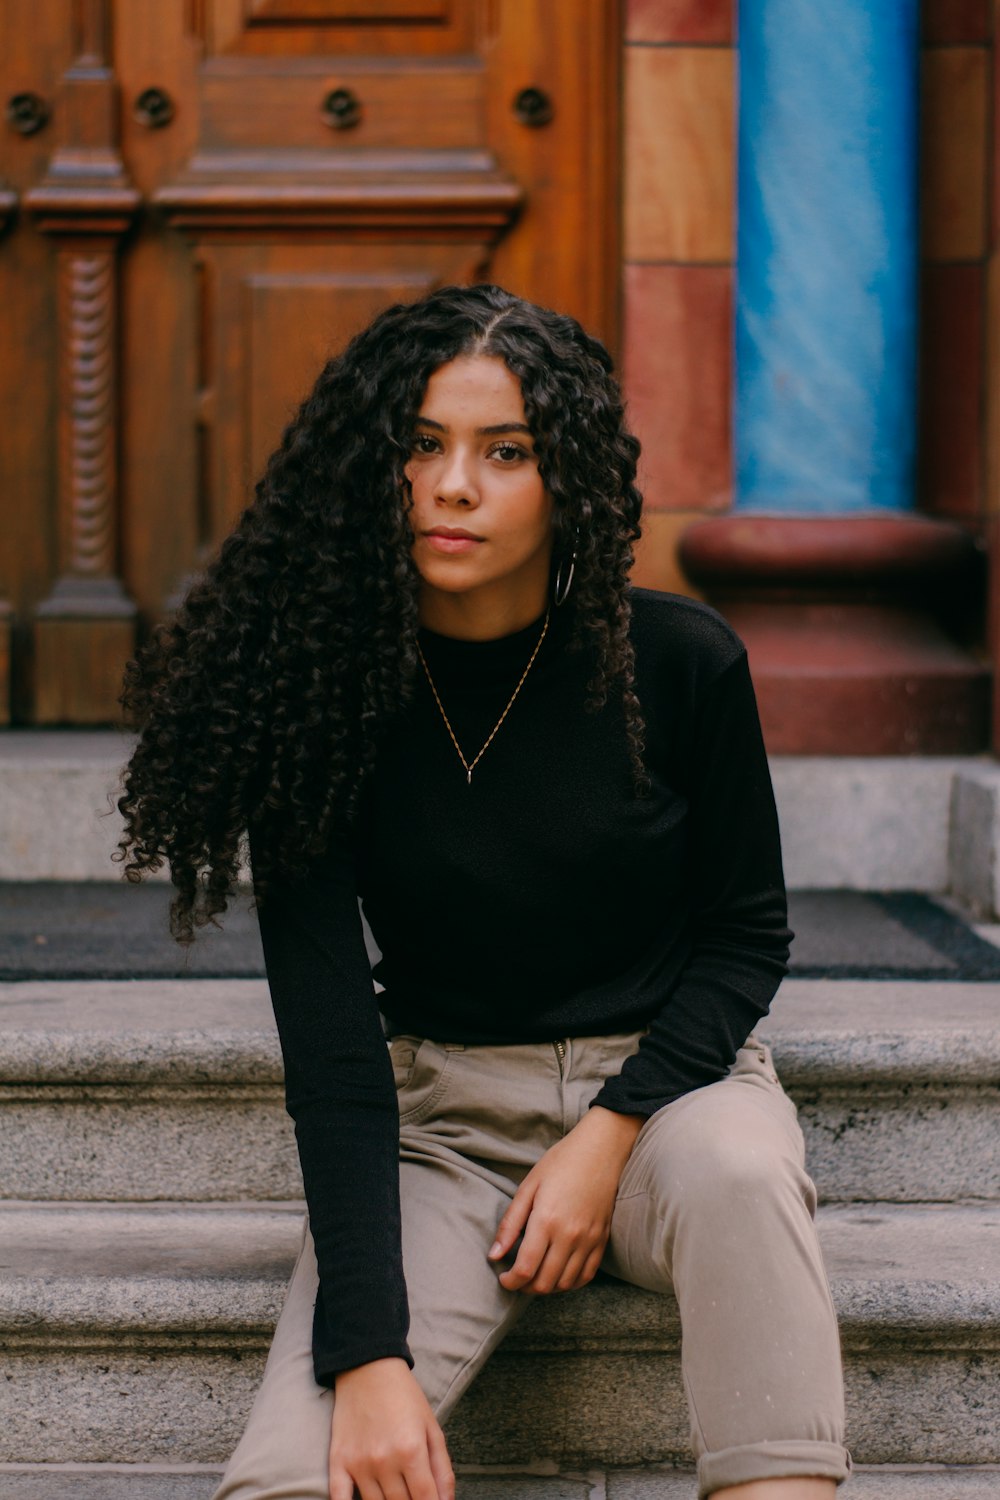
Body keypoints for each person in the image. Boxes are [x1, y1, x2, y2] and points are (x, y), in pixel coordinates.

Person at [116, 283, 851, 1500]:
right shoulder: (315, 699)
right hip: (443, 1124)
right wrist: (368, 1353)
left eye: (503, 452)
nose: (452, 486)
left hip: (672, 1099)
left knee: (737, 1171)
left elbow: (742, 938)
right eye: (419, 445)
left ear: (564, 481)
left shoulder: (678, 662)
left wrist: (607, 1133)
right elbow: (334, 1048)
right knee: (294, 1482)